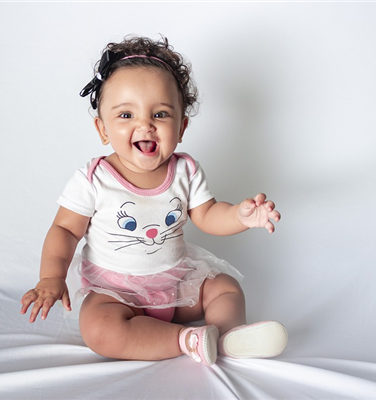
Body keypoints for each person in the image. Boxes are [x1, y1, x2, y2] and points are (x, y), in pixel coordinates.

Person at [20, 36, 288, 366]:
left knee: (225, 288)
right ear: (102, 129)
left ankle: (228, 335)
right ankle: (187, 340)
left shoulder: (185, 170)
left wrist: (240, 216)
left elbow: (208, 215)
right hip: (116, 294)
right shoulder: (94, 179)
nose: (145, 125)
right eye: (126, 115)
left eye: (160, 114)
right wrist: (51, 276)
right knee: (99, 329)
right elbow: (65, 230)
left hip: (176, 287)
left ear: (182, 126)